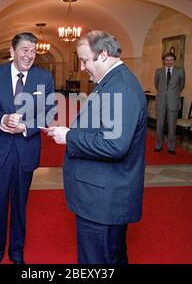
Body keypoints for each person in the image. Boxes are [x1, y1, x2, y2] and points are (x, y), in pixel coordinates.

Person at [44, 30, 147, 264]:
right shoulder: (110, 82)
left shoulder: (120, 86)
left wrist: (70, 136)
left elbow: (114, 144)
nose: (81, 67)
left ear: (103, 55)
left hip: (103, 199)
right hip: (101, 194)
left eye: (84, 60)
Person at [0, 32, 55, 264]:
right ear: (12, 52)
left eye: (33, 51)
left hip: (26, 149)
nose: (29, 55)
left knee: (20, 206)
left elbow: (50, 111)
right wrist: (2, 119)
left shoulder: (44, 77)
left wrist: (25, 126)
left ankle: (16, 253)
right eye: (24, 50)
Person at [154, 52, 185, 154]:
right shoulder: (158, 71)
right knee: (159, 125)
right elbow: (156, 85)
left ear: (174, 61)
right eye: (167, 60)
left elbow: (181, 85)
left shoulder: (180, 71)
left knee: (172, 126)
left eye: (171, 60)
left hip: (173, 101)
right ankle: (158, 145)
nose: (169, 62)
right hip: (161, 101)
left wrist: (173, 94)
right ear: (164, 61)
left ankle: (171, 147)